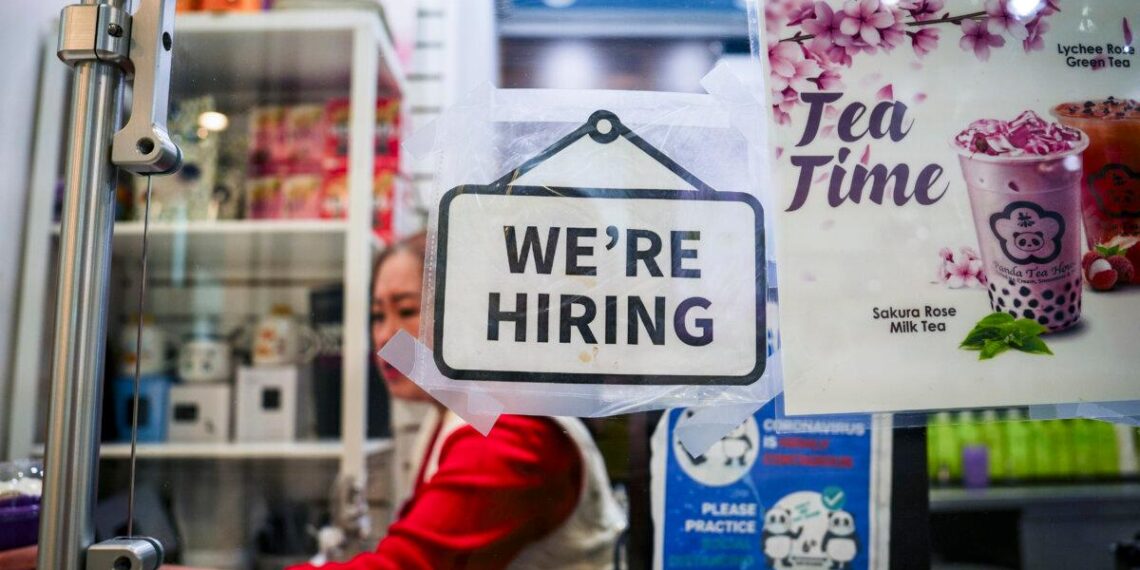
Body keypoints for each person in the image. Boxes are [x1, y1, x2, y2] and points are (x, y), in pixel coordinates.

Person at [290, 234, 626, 569]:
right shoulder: (457, 412)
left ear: (471, 316)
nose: (385, 336)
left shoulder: (511, 434)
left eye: (407, 311)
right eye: (378, 316)